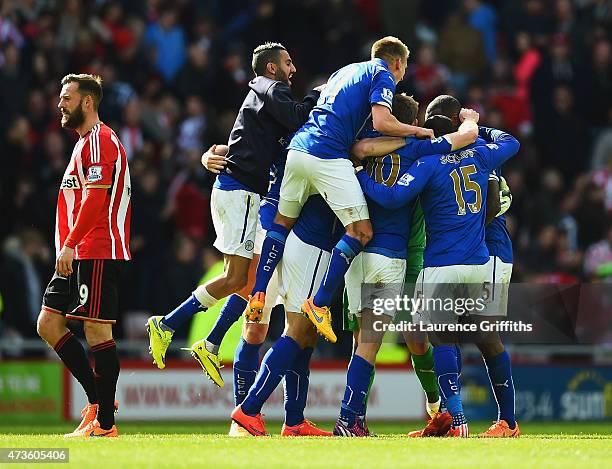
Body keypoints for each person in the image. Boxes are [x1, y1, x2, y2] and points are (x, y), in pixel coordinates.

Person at [146, 43, 320, 382]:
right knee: (244, 286)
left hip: (252, 200)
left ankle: (206, 341)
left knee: (246, 281)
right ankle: (169, 324)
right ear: (272, 68)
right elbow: (296, 117)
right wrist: (318, 96)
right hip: (252, 201)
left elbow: (250, 145)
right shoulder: (273, 91)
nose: (293, 69)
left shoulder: (272, 110)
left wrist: (210, 154)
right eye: (287, 62)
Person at [247, 36, 434, 343]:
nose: (401, 76)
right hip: (327, 156)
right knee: (361, 231)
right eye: (404, 68)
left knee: (283, 222)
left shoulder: (344, 71)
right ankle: (319, 303)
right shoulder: (382, 74)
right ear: (397, 62)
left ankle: (258, 291)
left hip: (299, 150)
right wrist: (417, 131)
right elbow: (382, 121)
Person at [356, 113, 520, 437]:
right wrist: (476, 125)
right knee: (487, 338)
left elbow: (390, 197)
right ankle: (507, 421)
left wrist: (359, 174)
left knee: (443, 338)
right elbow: (512, 142)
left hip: (443, 264)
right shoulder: (482, 154)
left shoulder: (429, 163)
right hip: (479, 262)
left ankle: (456, 419)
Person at [335, 96, 479, 436]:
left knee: (410, 337)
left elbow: (358, 149)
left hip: (392, 250)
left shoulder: (364, 147)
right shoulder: (415, 146)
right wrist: (471, 123)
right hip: (392, 251)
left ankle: (434, 406)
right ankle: (355, 419)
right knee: (370, 340)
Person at [409, 95, 520, 438]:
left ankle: (506, 421)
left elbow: (489, 209)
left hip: (489, 251)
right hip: (474, 253)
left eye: (434, 122)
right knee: (447, 332)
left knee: (483, 337)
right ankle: (449, 414)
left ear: (454, 122)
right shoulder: (472, 148)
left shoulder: (472, 151)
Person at [36, 74, 131, 438]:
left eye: (67, 98)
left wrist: (71, 243)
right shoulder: (83, 144)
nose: (60, 104)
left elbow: (95, 197)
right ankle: (98, 403)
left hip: (96, 248)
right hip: (77, 252)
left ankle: (105, 423)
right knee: (48, 323)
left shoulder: (100, 140)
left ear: (87, 102)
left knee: (96, 329)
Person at [230, 195, 343, 436]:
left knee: (307, 335)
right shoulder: (315, 159)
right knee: (294, 330)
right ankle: (248, 410)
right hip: (308, 244)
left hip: (308, 243)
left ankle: (294, 420)